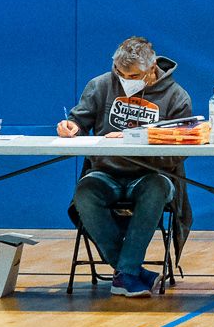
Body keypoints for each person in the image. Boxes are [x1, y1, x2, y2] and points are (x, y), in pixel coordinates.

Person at [57, 37, 192, 297]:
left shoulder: (176, 96)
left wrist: (138, 137)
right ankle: (129, 272)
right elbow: (79, 120)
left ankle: (126, 273)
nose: (125, 78)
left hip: (152, 174)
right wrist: (70, 126)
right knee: (85, 192)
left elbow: (180, 149)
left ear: (151, 69)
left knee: (156, 190)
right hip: (106, 173)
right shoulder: (100, 85)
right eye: (120, 73)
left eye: (133, 75)